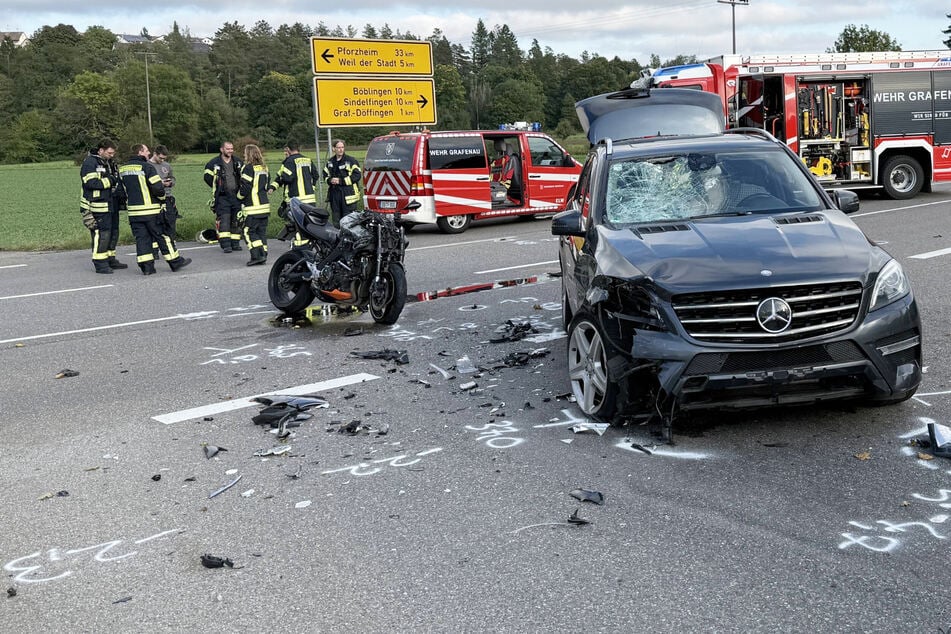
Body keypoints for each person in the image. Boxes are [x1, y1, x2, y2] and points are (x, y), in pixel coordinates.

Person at [119, 143, 191, 275]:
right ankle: (175, 261)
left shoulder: (122, 169)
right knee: (163, 235)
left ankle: (147, 268)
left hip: (134, 212)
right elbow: (157, 187)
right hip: (151, 210)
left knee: (142, 239)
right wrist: (163, 199)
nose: (148, 153)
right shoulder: (147, 167)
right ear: (140, 152)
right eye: (146, 151)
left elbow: (120, 191)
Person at [80, 138, 127, 273]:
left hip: (112, 203)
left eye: (113, 153)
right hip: (98, 205)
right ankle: (100, 263)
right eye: (109, 153)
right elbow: (91, 183)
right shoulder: (90, 162)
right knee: (102, 233)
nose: (112, 156)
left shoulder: (109, 162)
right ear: (101, 150)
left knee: (113, 232)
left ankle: (110, 258)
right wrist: (111, 180)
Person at [269, 140, 319, 248]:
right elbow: (316, 175)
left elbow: (286, 178)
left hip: (297, 199)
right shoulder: (307, 159)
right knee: (309, 223)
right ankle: (310, 244)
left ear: (288, 149)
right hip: (309, 198)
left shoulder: (289, 161)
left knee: (298, 224)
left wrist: (277, 182)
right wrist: (311, 188)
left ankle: (300, 246)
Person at [203, 140, 244, 253]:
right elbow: (207, 176)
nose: (230, 151)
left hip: (236, 195)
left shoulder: (238, 162)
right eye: (228, 149)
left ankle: (235, 243)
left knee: (236, 220)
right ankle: (226, 245)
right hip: (222, 197)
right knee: (224, 220)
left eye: (231, 149)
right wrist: (217, 187)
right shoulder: (214, 163)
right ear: (222, 149)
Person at [237, 144, 271, 266]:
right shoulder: (264, 168)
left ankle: (257, 256)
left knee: (248, 231)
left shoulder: (248, 168)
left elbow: (245, 186)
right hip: (264, 206)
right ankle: (264, 254)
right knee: (261, 232)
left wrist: (239, 197)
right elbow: (267, 186)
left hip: (253, 207)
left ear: (249, 154)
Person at [323, 139, 361, 226]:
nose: (341, 149)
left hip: (348, 196)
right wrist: (330, 180)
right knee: (336, 220)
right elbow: (325, 175)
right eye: (338, 147)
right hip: (335, 195)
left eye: (342, 147)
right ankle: (337, 237)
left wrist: (341, 181)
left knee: (349, 221)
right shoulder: (330, 162)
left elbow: (357, 176)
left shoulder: (351, 161)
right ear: (333, 149)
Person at [149, 145, 179, 239]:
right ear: (155, 154)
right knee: (155, 224)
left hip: (167, 197)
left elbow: (172, 178)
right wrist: (159, 183)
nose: (162, 160)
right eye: (160, 158)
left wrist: (170, 183)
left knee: (170, 222)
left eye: (164, 159)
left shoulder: (167, 166)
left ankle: (171, 244)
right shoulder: (147, 165)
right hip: (153, 198)